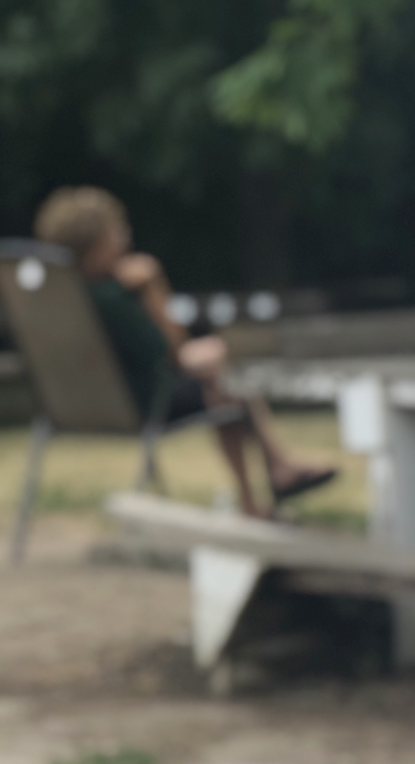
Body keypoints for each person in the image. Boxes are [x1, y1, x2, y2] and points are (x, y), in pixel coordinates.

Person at [33, 186, 334, 517]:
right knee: (221, 378)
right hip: (144, 403)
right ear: (94, 244)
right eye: (116, 231)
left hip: (83, 407)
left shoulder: (68, 299)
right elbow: (172, 351)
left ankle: (270, 477)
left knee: (220, 382)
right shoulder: (110, 297)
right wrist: (154, 286)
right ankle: (266, 481)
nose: (125, 239)